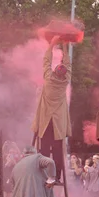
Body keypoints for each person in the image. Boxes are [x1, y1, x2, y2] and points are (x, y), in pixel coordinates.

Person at [32, 37, 71, 181]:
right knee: (57, 150)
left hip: (46, 121)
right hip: (58, 122)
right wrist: (65, 46)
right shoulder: (65, 81)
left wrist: (52, 44)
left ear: (55, 71)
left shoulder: (48, 79)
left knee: (44, 149)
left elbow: (46, 61)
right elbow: (68, 63)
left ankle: (44, 174)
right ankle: (57, 176)